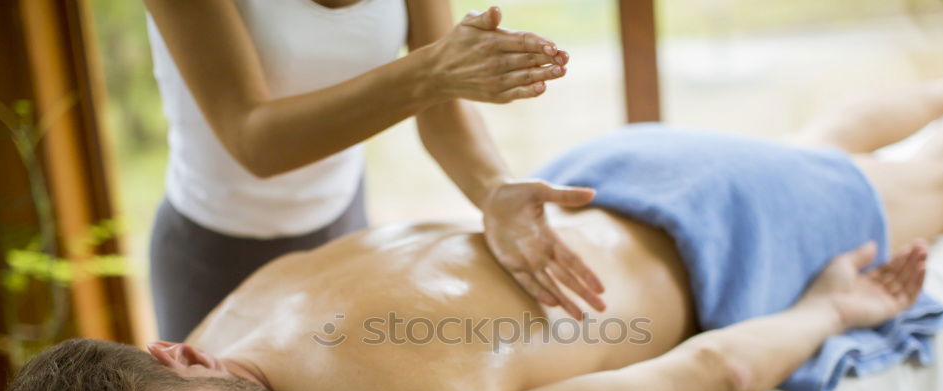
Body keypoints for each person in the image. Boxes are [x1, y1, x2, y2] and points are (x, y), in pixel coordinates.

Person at [0, 61, 943, 391]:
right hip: (596, 177)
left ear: (181, 361)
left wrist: (828, 311)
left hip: (721, 226)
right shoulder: (231, 320)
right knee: (838, 148)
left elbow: (712, 371)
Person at [146, 0, 606, 342]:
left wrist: (493, 189)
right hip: (213, 254)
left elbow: (443, 114)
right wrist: (430, 71)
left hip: (342, 226)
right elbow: (254, 142)